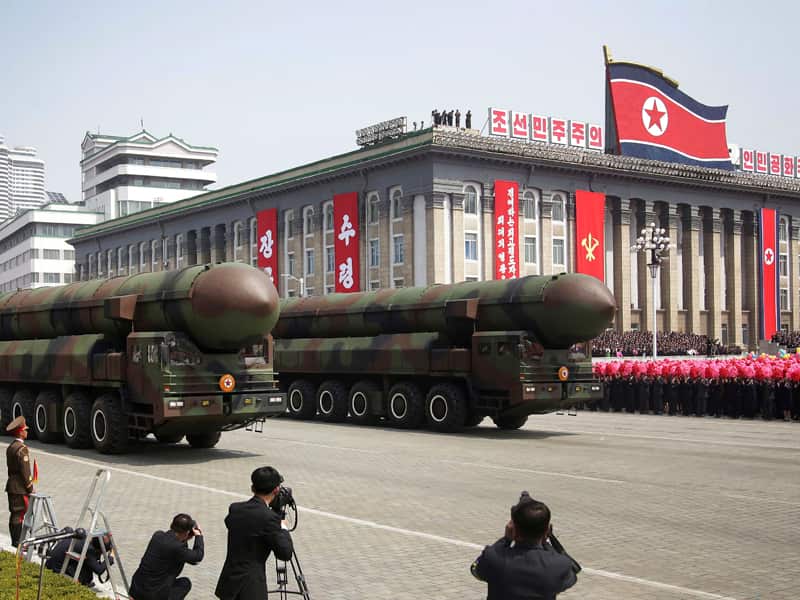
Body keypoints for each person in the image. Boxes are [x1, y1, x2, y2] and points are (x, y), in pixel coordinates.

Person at [471, 496, 577, 599]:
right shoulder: (558, 564)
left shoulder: (493, 557)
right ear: (546, 530)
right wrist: (547, 542)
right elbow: (573, 572)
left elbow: (476, 571)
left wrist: (506, 539)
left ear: (513, 529)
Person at [215, 466, 294, 600]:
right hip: (250, 588)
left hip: (229, 582)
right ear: (276, 489)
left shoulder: (235, 508)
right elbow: (285, 553)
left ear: (253, 488)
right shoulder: (270, 519)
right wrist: (283, 527)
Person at [128, 514, 204, 600]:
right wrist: (198, 535)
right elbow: (198, 556)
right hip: (152, 595)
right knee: (185, 583)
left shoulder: (157, 535)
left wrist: (185, 538)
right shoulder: (177, 548)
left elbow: (176, 551)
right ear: (186, 532)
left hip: (136, 589)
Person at [45, 528, 113, 588]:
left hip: (49, 566)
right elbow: (99, 570)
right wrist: (110, 559)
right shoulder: (88, 549)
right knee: (87, 566)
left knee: (85, 560)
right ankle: (84, 582)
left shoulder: (80, 537)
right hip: (57, 572)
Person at [5, 415, 34, 547]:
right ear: (21, 432)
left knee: (15, 513)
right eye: (25, 430)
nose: (27, 432)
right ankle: (18, 542)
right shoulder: (22, 449)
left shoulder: (11, 447)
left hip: (11, 485)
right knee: (20, 514)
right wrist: (30, 486)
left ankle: (15, 540)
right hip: (20, 487)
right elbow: (25, 471)